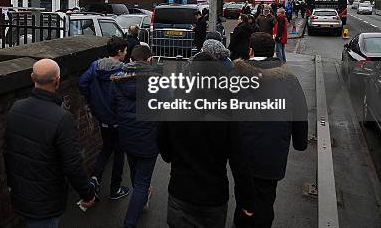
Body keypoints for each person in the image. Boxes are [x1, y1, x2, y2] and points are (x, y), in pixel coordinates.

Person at [159, 42, 255, 227]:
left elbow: (163, 146)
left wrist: (172, 156)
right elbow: (239, 161)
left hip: (181, 191)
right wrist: (247, 201)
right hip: (214, 195)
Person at [5, 59, 96, 227]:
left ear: (32, 78)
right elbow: (72, 164)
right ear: (58, 81)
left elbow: (9, 152)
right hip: (46, 199)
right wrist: (87, 193)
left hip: (21, 192)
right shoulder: (62, 118)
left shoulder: (16, 108)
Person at [233, 33, 308, 227]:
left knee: (243, 196)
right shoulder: (289, 79)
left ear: (250, 50)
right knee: (266, 199)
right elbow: (300, 112)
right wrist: (300, 143)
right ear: (273, 51)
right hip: (273, 151)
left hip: (243, 151)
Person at [112, 45, 159, 228]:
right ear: (149, 60)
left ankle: (140, 200)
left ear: (131, 60)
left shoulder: (118, 80)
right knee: (142, 183)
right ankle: (129, 222)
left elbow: (113, 105)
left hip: (127, 135)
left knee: (134, 171)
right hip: (148, 137)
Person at [78, 37, 130, 201]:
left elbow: (82, 83)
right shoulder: (123, 70)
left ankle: (95, 179)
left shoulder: (95, 66)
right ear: (120, 51)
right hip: (118, 118)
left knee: (107, 147)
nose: (126, 53)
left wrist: (93, 99)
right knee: (119, 152)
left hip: (102, 116)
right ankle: (115, 188)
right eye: (125, 50)